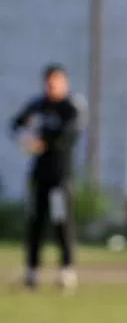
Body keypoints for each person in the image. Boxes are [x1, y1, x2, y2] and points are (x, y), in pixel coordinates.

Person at [9, 64, 85, 290]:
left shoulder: (71, 107)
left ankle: (66, 270)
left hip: (59, 178)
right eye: (48, 82)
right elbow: (14, 125)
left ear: (64, 82)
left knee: (60, 221)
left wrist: (44, 142)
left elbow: (69, 135)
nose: (51, 86)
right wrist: (25, 139)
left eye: (56, 81)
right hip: (39, 177)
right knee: (36, 223)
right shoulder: (38, 105)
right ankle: (31, 272)